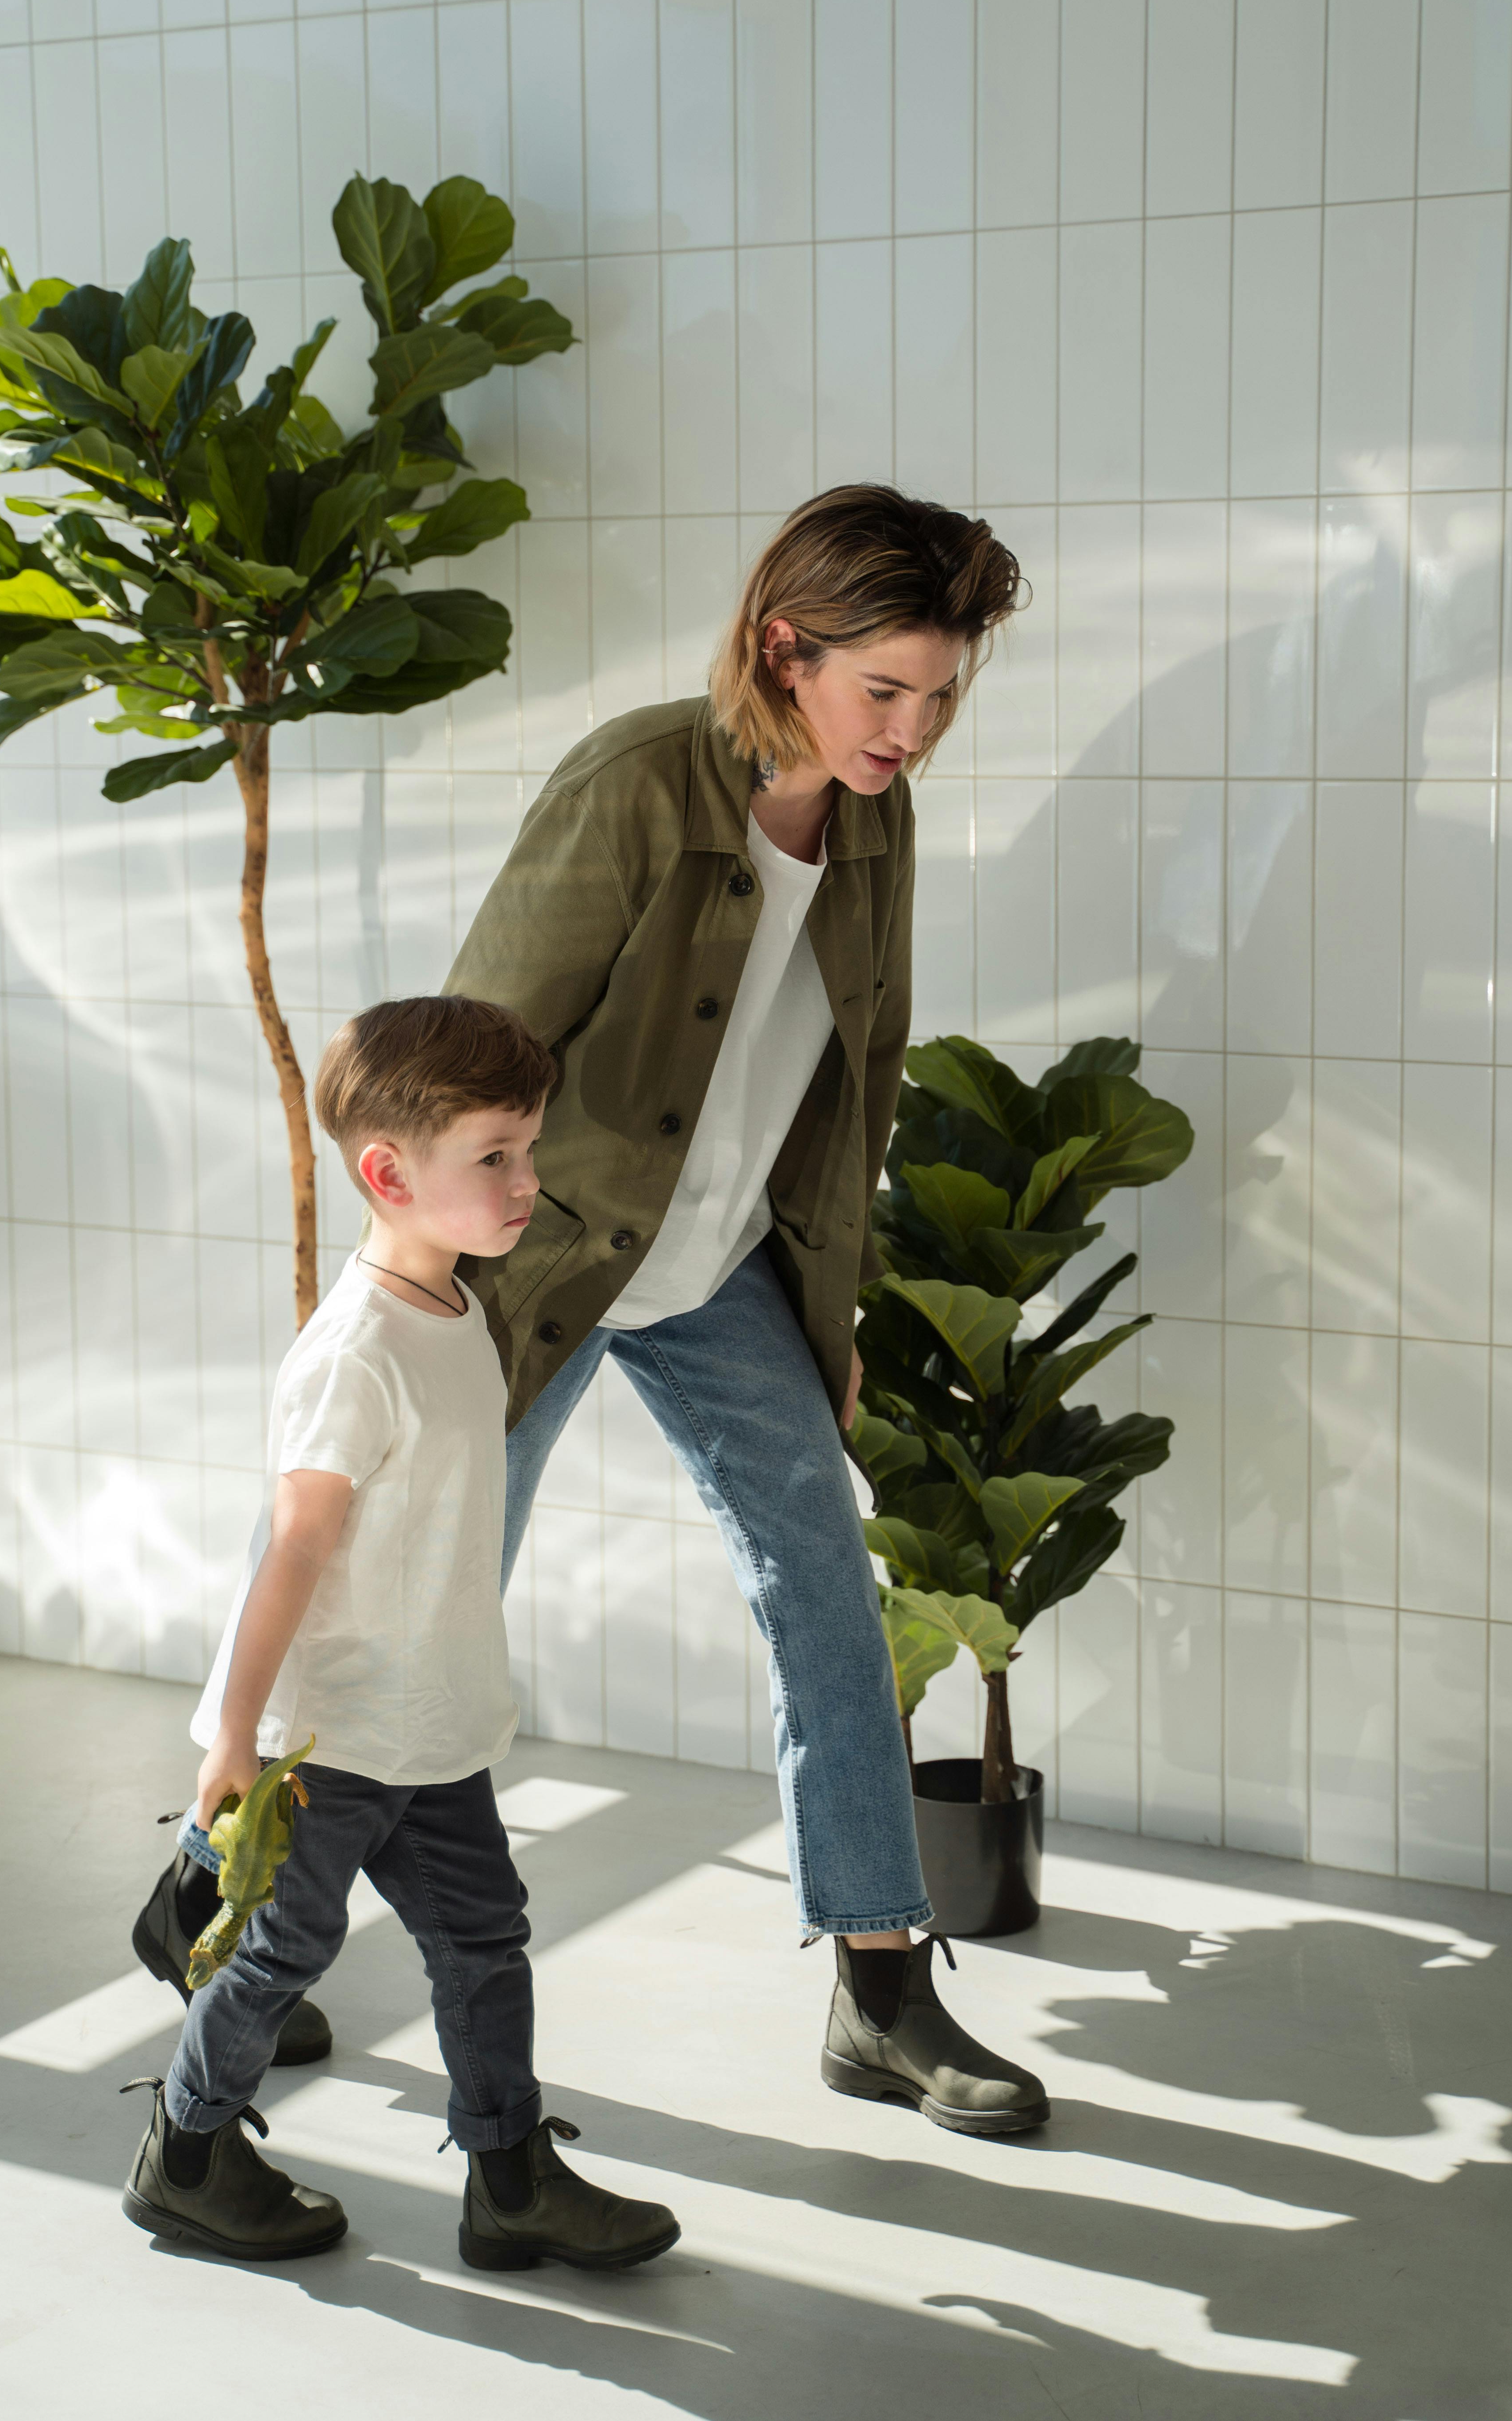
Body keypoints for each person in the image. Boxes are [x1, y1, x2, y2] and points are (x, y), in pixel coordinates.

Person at [444, 483, 1052, 2136]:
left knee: (827, 1605)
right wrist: (424, 1305)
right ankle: (228, 1922)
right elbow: (468, 1058)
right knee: (415, 1607)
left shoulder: (879, 823)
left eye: (938, 695)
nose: (912, 730)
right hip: (543, 1265)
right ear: (785, 650)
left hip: (721, 1276)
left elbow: (853, 1093)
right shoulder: (637, 786)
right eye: (883, 691)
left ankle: (878, 1988)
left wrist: (833, 1329)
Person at [121, 997, 681, 2268]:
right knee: (283, 1949)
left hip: (429, 1722)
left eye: (527, 1151)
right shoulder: (353, 1353)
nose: (525, 1182)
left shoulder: (458, 1314)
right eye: (495, 1156)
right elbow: (291, 1552)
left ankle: (509, 2176)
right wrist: (232, 1741)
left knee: (484, 1940)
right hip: (331, 1735)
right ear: (387, 1172)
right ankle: (189, 2152)